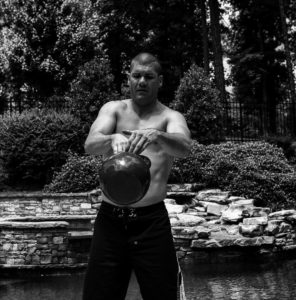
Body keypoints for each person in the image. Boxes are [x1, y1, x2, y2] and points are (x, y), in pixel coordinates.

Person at [82, 52, 191, 300]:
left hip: (151, 223)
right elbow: (90, 144)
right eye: (137, 75)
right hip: (110, 221)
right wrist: (112, 138)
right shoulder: (113, 110)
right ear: (128, 78)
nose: (142, 81)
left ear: (159, 81)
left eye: (149, 76)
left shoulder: (170, 117)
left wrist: (157, 135)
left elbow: (184, 148)